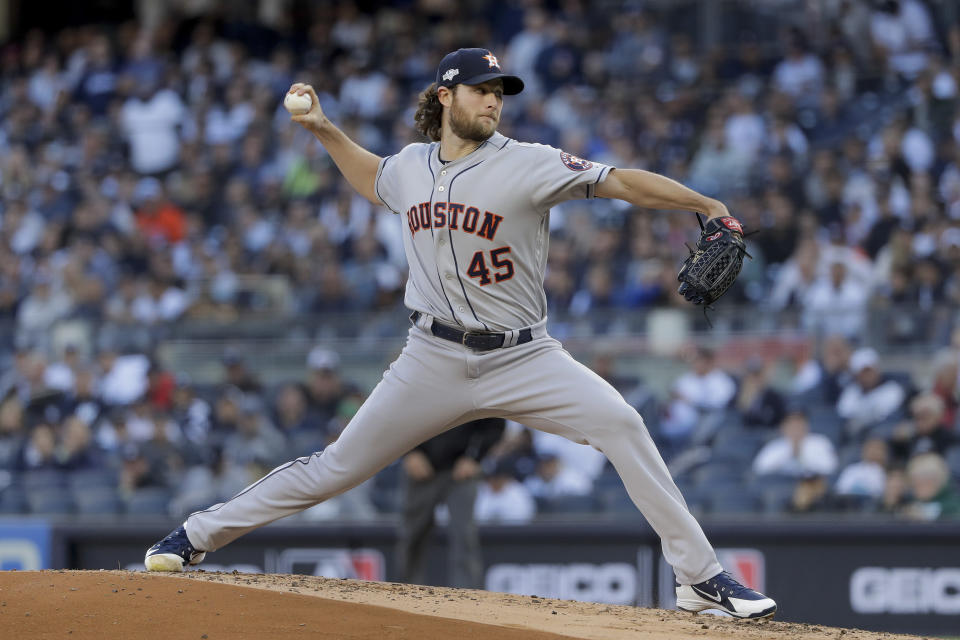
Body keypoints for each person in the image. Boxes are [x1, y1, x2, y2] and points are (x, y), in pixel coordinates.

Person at [145, 48, 776, 619]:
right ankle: (195, 536)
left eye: (500, 91)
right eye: (481, 89)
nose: (494, 100)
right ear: (446, 97)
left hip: (524, 355)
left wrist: (707, 206)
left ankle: (700, 579)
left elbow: (621, 182)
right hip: (432, 356)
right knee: (335, 468)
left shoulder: (530, 163)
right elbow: (372, 177)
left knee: (623, 425)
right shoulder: (412, 167)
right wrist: (323, 129)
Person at [396, 417, 505, 589]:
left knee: (464, 534)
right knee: (412, 533)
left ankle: (467, 596)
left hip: (460, 470)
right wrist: (409, 452)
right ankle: (406, 592)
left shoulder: (471, 388)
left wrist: (475, 458)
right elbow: (395, 415)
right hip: (421, 466)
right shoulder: (415, 389)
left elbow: (495, 423)